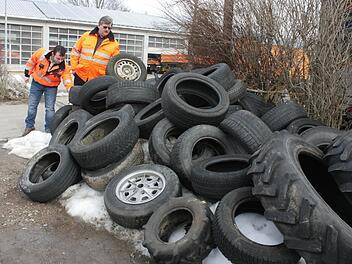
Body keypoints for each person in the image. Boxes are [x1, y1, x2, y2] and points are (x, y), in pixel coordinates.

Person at [22, 45, 73, 136]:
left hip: (51, 87)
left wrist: (70, 89)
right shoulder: (41, 54)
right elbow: (31, 62)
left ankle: (49, 129)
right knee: (32, 106)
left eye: (62, 59)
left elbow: (67, 78)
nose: (60, 61)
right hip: (36, 84)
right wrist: (27, 75)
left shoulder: (63, 66)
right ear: (53, 54)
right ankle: (29, 126)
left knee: (50, 109)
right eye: (58, 58)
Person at [70, 16, 120, 85]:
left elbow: (114, 64)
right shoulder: (86, 36)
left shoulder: (114, 44)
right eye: (105, 27)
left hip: (98, 79)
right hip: (80, 75)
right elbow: (75, 52)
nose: (107, 30)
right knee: (77, 95)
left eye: (109, 28)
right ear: (99, 25)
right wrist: (74, 68)